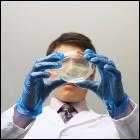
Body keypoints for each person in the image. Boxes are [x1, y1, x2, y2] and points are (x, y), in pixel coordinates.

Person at [1, 32, 139, 139]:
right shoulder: (19, 123)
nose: (70, 70)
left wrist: (122, 108)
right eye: (62, 63)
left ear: (92, 73)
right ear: (47, 70)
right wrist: (23, 112)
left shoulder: (117, 127)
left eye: (79, 64)